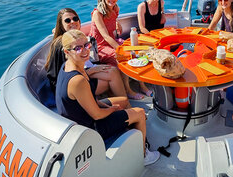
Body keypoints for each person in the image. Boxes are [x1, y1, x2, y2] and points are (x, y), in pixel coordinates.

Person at [56, 30, 160, 166]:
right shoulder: (77, 80)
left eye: (86, 45)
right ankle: (143, 155)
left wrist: (108, 106)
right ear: (67, 51)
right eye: (77, 48)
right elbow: (97, 115)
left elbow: (88, 100)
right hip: (88, 128)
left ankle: (131, 131)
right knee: (140, 113)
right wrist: (112, 109)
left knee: (123, 100)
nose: (85, 51)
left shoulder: (70, 66)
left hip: (85, 114)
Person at [45, 8, 130, 107]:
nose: (73, 22)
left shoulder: (72, 37)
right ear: (61, 24)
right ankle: (125, 106)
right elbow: (69, 76)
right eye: (67, 20)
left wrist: (94, 68)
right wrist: (94, 70)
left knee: (113, 71)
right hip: (69, 85)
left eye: (75, 19)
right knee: (111, 77)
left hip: (82, 72)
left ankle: (118, 105)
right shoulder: (63, 45)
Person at [89, 0, 152, 99]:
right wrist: (119, 50)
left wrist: (118, 25)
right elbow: (105, 36)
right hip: (100, 47)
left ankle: (142, 85)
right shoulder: (97, 13)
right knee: (123, 56)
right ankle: (128, 90)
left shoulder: (115, 9)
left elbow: (112, 27)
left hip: (112, 41)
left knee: (137, 50)